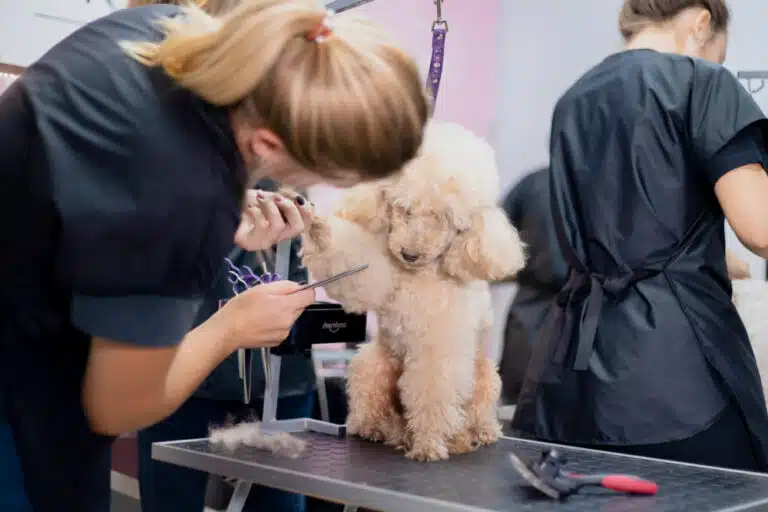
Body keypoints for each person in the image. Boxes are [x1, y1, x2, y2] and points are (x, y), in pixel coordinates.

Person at [0, 1, 429, 510]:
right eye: (326, 176)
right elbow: (116, 409)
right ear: (267, 144)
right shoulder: (180, 196)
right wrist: (233, 326)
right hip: (21, 390)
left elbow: (99, 181)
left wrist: (219, 204)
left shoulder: (167, 33)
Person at [511, 0, 768, 471]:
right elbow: (761, 228)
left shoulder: (574, 99)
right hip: (679, 378)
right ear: (701, 22)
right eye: (719, 53)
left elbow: (631, 221)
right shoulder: (703, 84)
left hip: (571, 375)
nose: (717, 65)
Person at [498, 167, 568, 404]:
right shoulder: (608, 183)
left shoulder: (532, 183)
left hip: (529, 314)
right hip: (586, 313)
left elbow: (494, 241)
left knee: (516, 408)